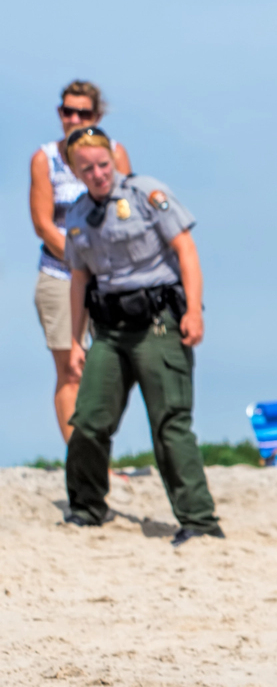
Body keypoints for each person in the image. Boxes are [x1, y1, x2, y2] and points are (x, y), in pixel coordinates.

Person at [58, 127, 220, 546]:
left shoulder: (146, 195)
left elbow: (186, 249)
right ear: (75, 171)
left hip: (158, 324)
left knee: (170, 422)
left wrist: (195, 312)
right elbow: (79, 279)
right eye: (87, 168)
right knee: (89, 420)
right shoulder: (76, 217)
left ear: (114, 159)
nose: (98, 174)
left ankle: (199, 521)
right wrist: (76, 339)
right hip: (109, 331)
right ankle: (87, 507)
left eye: (103, 164)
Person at [29, 81, 131, 442]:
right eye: (67, 111)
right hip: (59, 274)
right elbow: (43, 223)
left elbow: (128, 213)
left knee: (108, 371)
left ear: (97, 116)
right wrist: (79, 261)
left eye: (82, 113)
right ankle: (81, 462)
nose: (73, 118)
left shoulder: (114, 154)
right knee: (70, 371)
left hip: (109, 278)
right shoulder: (46, 158)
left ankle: (100, 454)